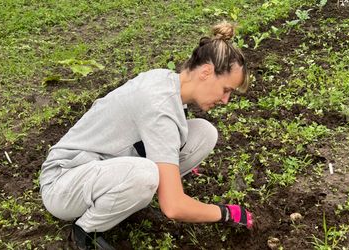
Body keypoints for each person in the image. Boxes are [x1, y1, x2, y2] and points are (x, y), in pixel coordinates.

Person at [39, 21, 253, 249]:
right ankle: (85, 231)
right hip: (63, 183)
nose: (225, 100)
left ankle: (125, 196)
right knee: (146, 175)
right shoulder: (159, 106)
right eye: (226, 90)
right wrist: (224, 213)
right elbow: (173, 207)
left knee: (204, 133)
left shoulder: (167, 81)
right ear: (206, 72)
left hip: (103, 169)